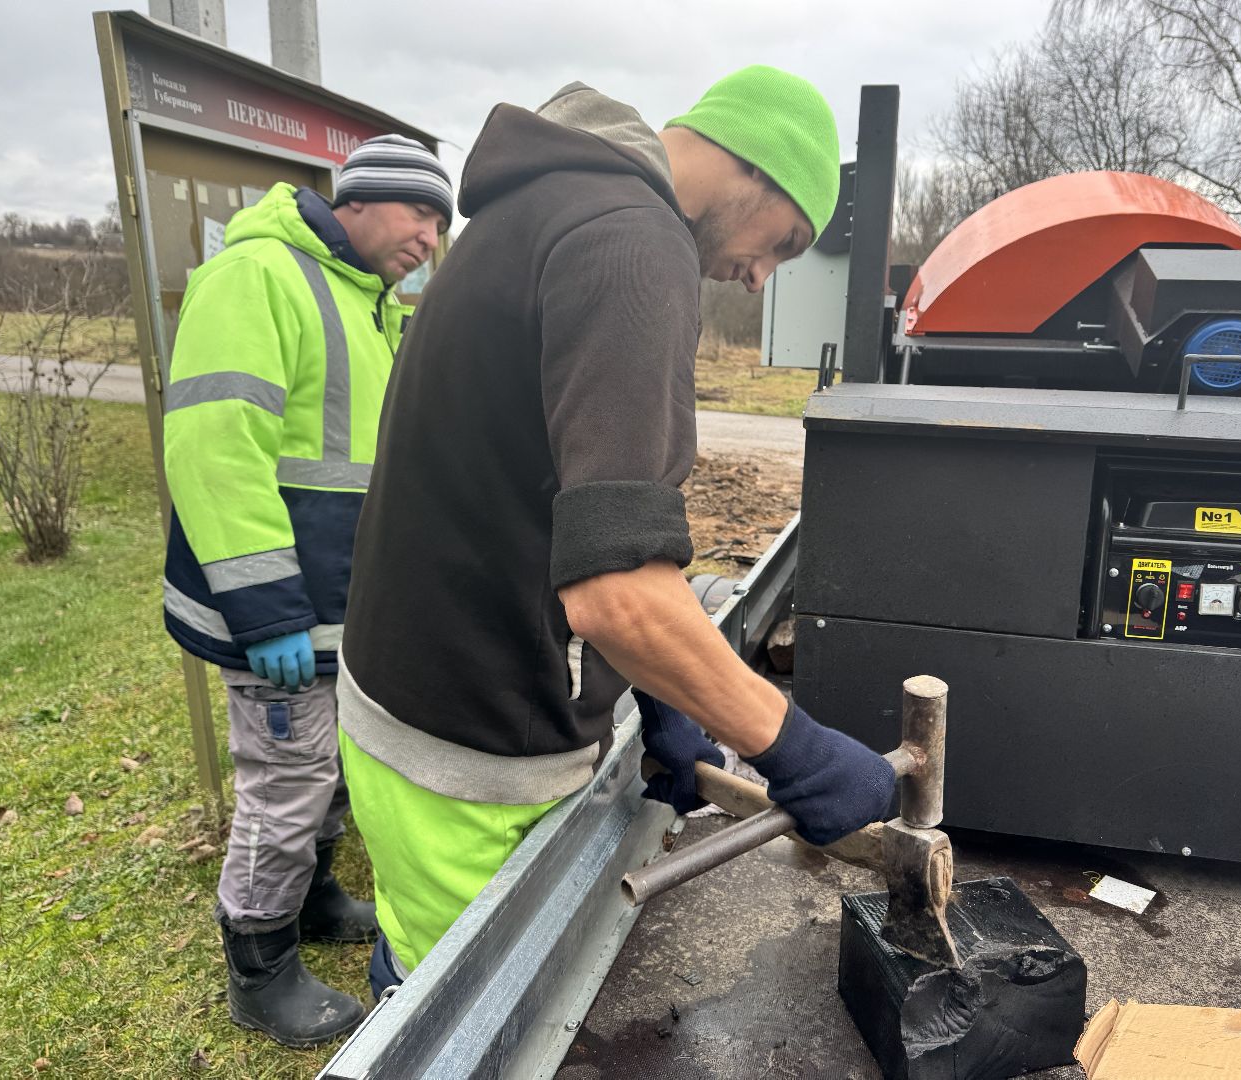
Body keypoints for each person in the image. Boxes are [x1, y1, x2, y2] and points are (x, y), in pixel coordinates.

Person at [336, 66, 898, 996]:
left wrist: (662, 696)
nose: (760, 276)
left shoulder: (545, 202)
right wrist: (794, 746)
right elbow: (618, 591)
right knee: (463, 1013)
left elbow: (540, 493)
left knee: (419, 951)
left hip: (402, 694)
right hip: (475, 746)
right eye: (783, 242)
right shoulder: (634, 244)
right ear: (753, 163)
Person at [159, 134, 452, 1046]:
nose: (431, 239)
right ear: (358, 199)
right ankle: (260, 968)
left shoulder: (369, 303)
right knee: (286, 782)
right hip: (278, 613)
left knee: (326, 772)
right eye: (421, 214)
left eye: (441, 223)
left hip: (338, 609)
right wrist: (269, 612)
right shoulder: (257, 277)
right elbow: (215, 452)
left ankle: (313, 896)